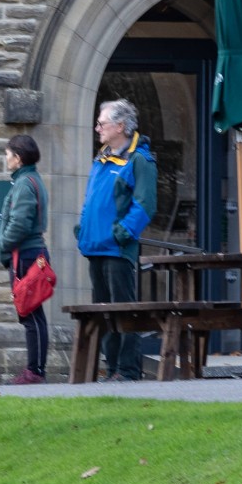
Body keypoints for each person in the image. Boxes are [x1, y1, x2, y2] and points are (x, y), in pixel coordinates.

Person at [76, 98, 158, 381]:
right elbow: (91, 200)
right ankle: (112, 369)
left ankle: (128, 370)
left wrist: (122, 233)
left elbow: (145, 204)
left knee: (123, 311)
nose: (97, 128)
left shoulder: (139, 160)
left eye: (102, 123)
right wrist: (82, 229)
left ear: (120, 126)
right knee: (104, 313)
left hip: (117, 249)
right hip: (95, 247)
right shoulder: (101, 158)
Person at [0, 134, 50, 385]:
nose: (6, 159)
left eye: (8, 155)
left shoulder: (24, 184)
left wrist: (4, 245)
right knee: (31, 313)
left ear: (18, 158)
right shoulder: (29, 180)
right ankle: (35, 369)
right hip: (30, 254)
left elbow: (19, 224)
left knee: (30, 314)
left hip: (26, 255)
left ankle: (35, 371)